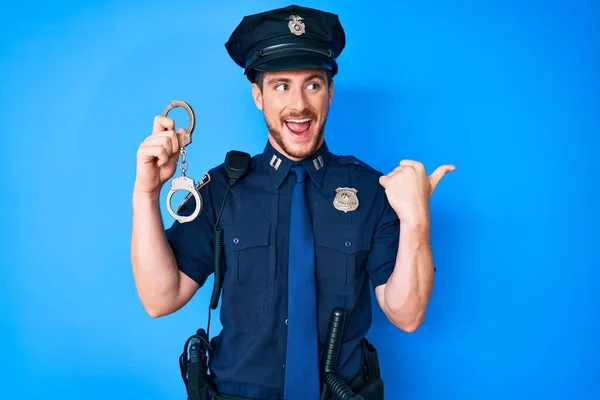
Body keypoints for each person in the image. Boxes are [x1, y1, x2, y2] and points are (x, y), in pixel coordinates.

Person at [130, 4, 455, 400]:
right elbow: (160, 298)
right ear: (258, 96)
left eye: (313, 84)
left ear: (330, 93)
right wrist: (146, 194)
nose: (299, 105)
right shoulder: (221, 187)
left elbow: (406, 314)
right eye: (281, 85)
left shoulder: (372, 189)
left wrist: (417, 220)